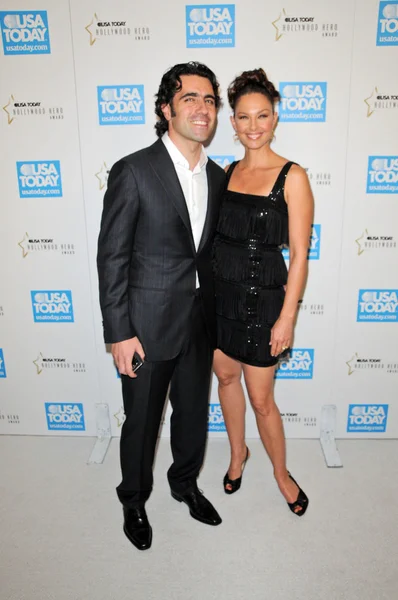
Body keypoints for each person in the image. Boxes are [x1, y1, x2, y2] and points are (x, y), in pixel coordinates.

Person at [97, 62, 226, 551]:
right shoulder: (134, 170)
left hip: (198, 323)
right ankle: (133, 497)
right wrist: (119, 331)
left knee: (193, 414)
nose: (201, 108)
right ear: (165, 108)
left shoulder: (216, 176)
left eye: (209, 100)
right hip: (145, 327)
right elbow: (111, 257)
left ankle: (185, 484)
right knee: (143, 422)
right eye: (189, 97)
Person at [212, 69, 314, 516]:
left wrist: (287, 316)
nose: (253, 126)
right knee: (226, 379)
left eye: (262, 116)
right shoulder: (226, 173)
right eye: (243, 117)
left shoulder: (292, 176)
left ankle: (281, 472)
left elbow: (301, 254)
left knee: (261, 399)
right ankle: (238, 455)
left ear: (275, 118)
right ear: (231, 122)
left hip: (263, 303)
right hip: (219, 301)